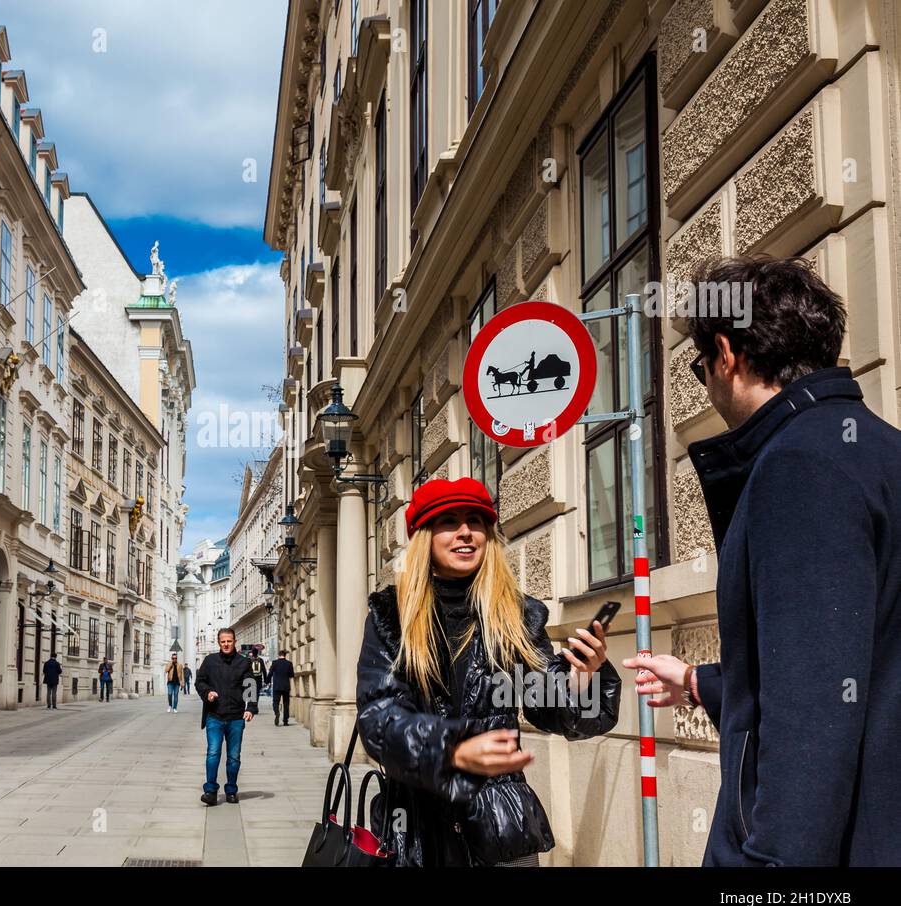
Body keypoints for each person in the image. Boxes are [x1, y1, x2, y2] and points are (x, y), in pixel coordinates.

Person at [627, 255, 901, 866]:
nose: (707, 380)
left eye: (701, 368)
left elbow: (814, 716)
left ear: (726, 353)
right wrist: (701, 683)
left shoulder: (799, 467)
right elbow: (862, 662)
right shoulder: (878, 450)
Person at [356, 476, 621, 866]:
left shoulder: (516, 615)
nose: (465, 532)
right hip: (416, 833)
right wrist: (453, 749)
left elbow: (547, 705)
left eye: (476, 521)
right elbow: (378, 721)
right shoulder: (391, 617)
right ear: (425, 536)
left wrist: (582, 679)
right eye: (449, 521)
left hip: (500, 827)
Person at [194, 627, 257, 806]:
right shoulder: (210, 661)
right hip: (214, 716)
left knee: (234, 756)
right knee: (213, 753)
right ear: (219, 642)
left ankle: (231, 790)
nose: (226, 644)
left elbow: (250, 684)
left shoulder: (243, 662)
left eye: (229, 641)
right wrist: (207, 693)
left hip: (236, 717)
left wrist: (251, 707)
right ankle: (211, 791)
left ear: (234, 641)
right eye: (223, 641)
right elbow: (200, 681)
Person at [267, 650, 294, 726]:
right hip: (286, 686)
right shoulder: (289, 663)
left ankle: (277, 713)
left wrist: (267, 681)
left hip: (277, 686)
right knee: (286, 704)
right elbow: (292, 675)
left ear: (279, 655)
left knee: (275, 702)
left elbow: (270, 673)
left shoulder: (275, 663)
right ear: (285, 655)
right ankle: (285, 721)